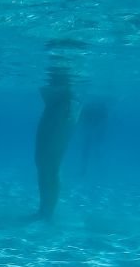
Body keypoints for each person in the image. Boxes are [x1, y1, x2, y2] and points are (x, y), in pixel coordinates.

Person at [33, 65, 75, 220]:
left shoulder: (65, 76)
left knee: (51, 165)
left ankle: (47, 212)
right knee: (42, 162)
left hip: (61, 113)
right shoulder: (58, 74)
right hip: (53, 111)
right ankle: (43, 210)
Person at [77, 99, 108, 176]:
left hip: (93, 130)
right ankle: (88, 169)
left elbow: (81, 118)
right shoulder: (100, 108)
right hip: (92, 130)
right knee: (92, 148)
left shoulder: (91, 108)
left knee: (93, 148)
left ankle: (92, 168)